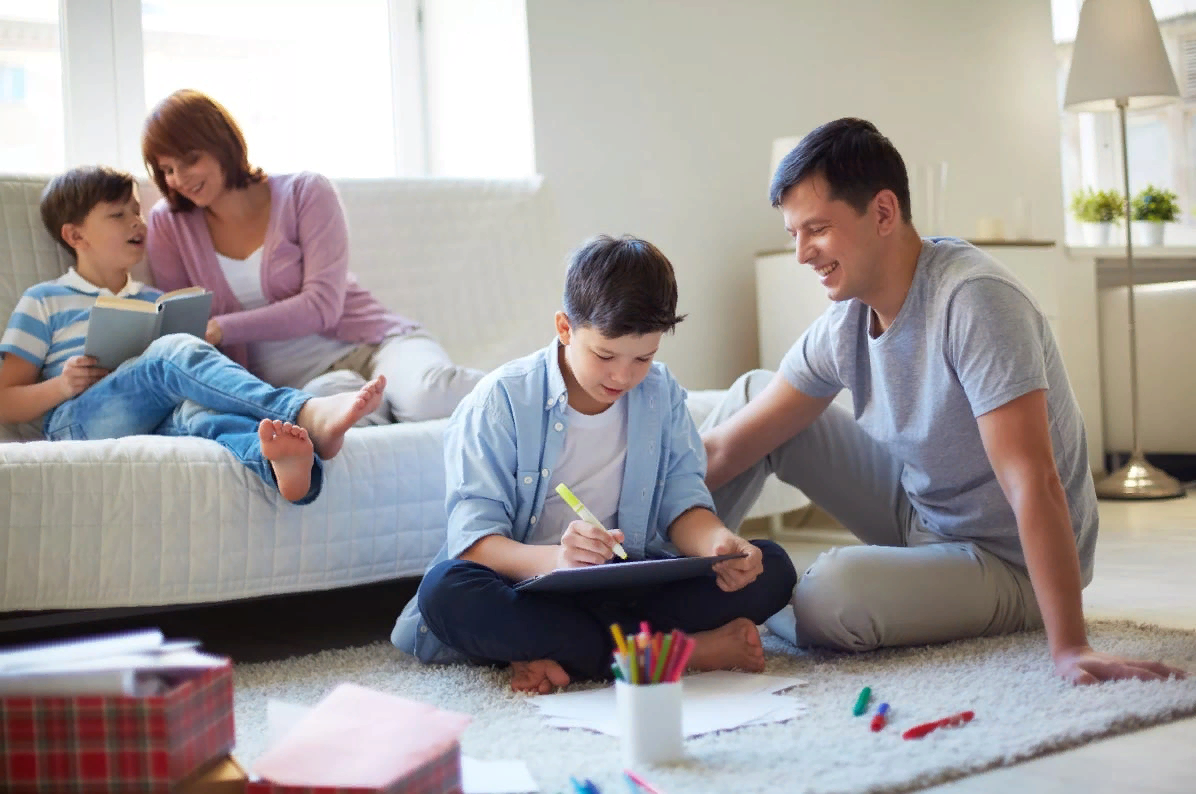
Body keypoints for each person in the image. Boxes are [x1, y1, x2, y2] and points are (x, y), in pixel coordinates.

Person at [700, 117, 1185, 685]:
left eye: (818, 229)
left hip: (1009, 563)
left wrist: (1071, 647)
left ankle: (760, 608)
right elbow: (726, 447)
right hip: (921, 512)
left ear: (884, 212)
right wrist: (631, 535)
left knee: (831, 594)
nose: (803, 253)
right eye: (794, 234)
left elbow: (1033, 479)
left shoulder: (975, 300)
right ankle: (662, 590)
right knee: (753, 396)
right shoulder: (844, 323)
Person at [391, 235, 797, 693]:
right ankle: (678, 652)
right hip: (529, 591)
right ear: (565, 328)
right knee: (445, 592)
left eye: (643, 357)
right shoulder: (500, 401)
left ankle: (572, 652)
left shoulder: (660, 393)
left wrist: (718, 544)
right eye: (604, 355)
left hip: (627, 589)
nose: (623, 376)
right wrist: (559, 561)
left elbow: (683, 503)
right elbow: (474, 544)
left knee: (772, 567)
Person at [0, 165, 385, 505]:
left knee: (199, 415)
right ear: (75, 236)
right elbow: (5, 401)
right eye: (118, 215)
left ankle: (282, 464)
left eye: (137, 210)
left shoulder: (156, 301)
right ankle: (302, 411)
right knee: (170, 354)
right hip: (78, 421)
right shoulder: (45, 300)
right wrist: (62, 386)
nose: (137, 222)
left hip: (156, 418)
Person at [141, 89, 483, 425]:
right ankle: (386, 409)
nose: (179, 179)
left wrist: (222, 328)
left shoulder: (305, 193)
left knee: (428, 397)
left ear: (222, 144)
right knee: (342, 422)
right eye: (167, 169)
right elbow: (182, 328)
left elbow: (322, 305)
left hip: (376, 345)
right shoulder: (168, 223)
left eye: (190, 160)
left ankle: (515, 386)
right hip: (305, 384)